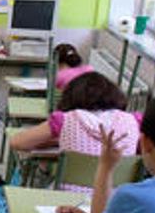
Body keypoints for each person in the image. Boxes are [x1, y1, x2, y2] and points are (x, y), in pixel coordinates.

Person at [9, 72, 141, 194]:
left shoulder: (66, 119)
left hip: (69, 199)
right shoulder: (134, 121)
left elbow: (17, 142)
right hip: (116, 200)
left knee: (40, 175)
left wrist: (57, 138)